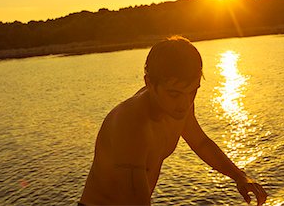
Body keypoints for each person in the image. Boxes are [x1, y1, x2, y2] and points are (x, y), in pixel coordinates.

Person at [79, 36, 268, 205]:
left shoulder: (179, 106)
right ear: (149, 83)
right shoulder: (131, 125)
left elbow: (201, 143)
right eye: (174, 93)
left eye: (193, 91)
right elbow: (134, 198)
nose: (185, 103)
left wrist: (239, 176)